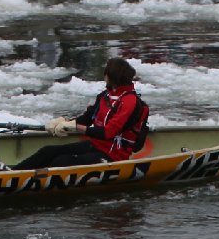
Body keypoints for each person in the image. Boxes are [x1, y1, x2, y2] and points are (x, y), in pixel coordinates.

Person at [15, 57, 150, 170]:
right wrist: (64, 122)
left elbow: (108, 132)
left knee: (62, 161)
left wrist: (76, 127)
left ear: (112, 76)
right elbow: (88, 118)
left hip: (113, 155)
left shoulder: (129, 101)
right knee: (48, 151)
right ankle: (13, 172)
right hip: (95, 146)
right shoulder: (105, 95)